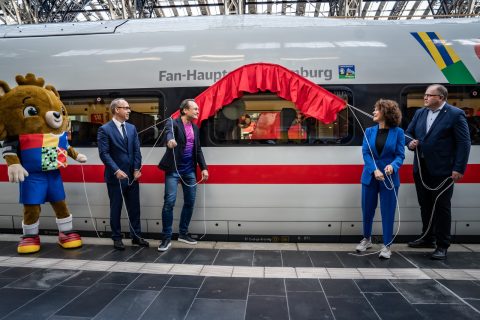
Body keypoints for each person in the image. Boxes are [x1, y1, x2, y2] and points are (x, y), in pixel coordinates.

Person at [406, 84, 470, 260]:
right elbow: (408, 133)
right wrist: (410, 143)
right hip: (421, 168)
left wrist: (458, 168)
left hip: (444, 171)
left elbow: (464, 143)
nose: (425, 98)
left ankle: (442, 245)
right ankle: (428, 238)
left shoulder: (455, 114)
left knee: (442, 207)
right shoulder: (420, 113)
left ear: (441, 98)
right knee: (425, 205)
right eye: (425, 95)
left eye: (429, 95)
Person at [356, 99, 405, 259]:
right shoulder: (369, 131)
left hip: (390, 179)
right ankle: (366, 239)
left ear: (385, 112)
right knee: (367, 210)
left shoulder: (398, 132)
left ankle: (387, 246)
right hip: (370, 177)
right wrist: (374, 170)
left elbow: (400, 155)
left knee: (388, 212)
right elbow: (366, 153)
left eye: (376, 110)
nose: (374, 112)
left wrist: (393, 166)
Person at [97, 98, 149, 250]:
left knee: (134, 208)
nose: (128, 110)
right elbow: (104, 154)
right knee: (116, 208)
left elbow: (136, 150)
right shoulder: (104, 129)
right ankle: (117, 238)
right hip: (116, 177)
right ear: (116, 110)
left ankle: (136, 237)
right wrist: (116, 170)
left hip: (132, 176)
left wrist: (137, 168)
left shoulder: (132, 128)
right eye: (125, 108)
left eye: (128, 108)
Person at [158, 99, 209, 252]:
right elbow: (168, 134)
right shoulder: (173, 123)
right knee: (169, 202)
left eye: (198, 109)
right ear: (185, 110)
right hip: (173, 170)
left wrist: (204, 168)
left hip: (189, 171)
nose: (197, 112)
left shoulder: (195, 127)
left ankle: (183, 233)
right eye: (195, 109)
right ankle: (166, 238)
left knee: (190, 202)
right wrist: (170, 141)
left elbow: (198, 150)